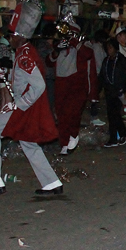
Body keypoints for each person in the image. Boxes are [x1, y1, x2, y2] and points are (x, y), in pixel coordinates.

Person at [0, 0, 62, 200]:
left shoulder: (24, 55)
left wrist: (18, 104)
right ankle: (51, 182)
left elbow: (38, 85)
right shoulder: (25, 52)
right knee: (28, 143)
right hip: (24, 106)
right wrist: (5, 76)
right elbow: (23, 79)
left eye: (11, 34)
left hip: (22, 106)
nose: (9, 38)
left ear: (19, 35)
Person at [46, 15, 97, 155]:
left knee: (72, 113)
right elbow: (49, 61)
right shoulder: (61, 45)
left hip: (77, 83)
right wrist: (57, 49)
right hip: (61, 82)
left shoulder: (83, 43)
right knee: (61, 114)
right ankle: (64, 142)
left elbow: (88, 54)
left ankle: (73, 135)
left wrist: (74, 41)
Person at [100, 38, 126, 147]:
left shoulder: (121, 60)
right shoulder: (106, 61)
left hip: (119, 92)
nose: (108, 50)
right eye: (107, 48)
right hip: (109, 91)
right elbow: (102, 76)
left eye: (110, 47)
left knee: (115, 114)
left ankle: (116, 137)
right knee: (112, 115)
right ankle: (118, 136)